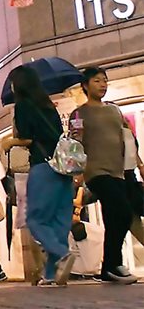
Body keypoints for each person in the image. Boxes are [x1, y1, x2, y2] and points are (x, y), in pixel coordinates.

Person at [0, 65, 71, 286]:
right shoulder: (48, 105)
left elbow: (28, 138)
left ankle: (61, 253)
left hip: (43, 166)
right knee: (58, 220)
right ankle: (50, 275)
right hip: (63, 168)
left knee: (36, 219)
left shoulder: (23, 106)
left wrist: (10, 141)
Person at [69, 67, 137, 284]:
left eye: (105, 81)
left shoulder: (115, 111)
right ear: (86, 86)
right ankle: (112, 264)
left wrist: (139, 164)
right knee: (124, 212)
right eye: (97, 81)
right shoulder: (79, 113)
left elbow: (127, 139)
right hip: (96, 172)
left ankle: (110, 267)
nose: (103, 84)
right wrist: (76, 172)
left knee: (114, 217)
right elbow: (75, 144)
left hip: (119, 171)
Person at [121, 117, 144, 247]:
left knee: (131, 223)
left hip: (123, 185)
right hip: (130, 184)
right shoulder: (128, 135)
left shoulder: (122, 136)